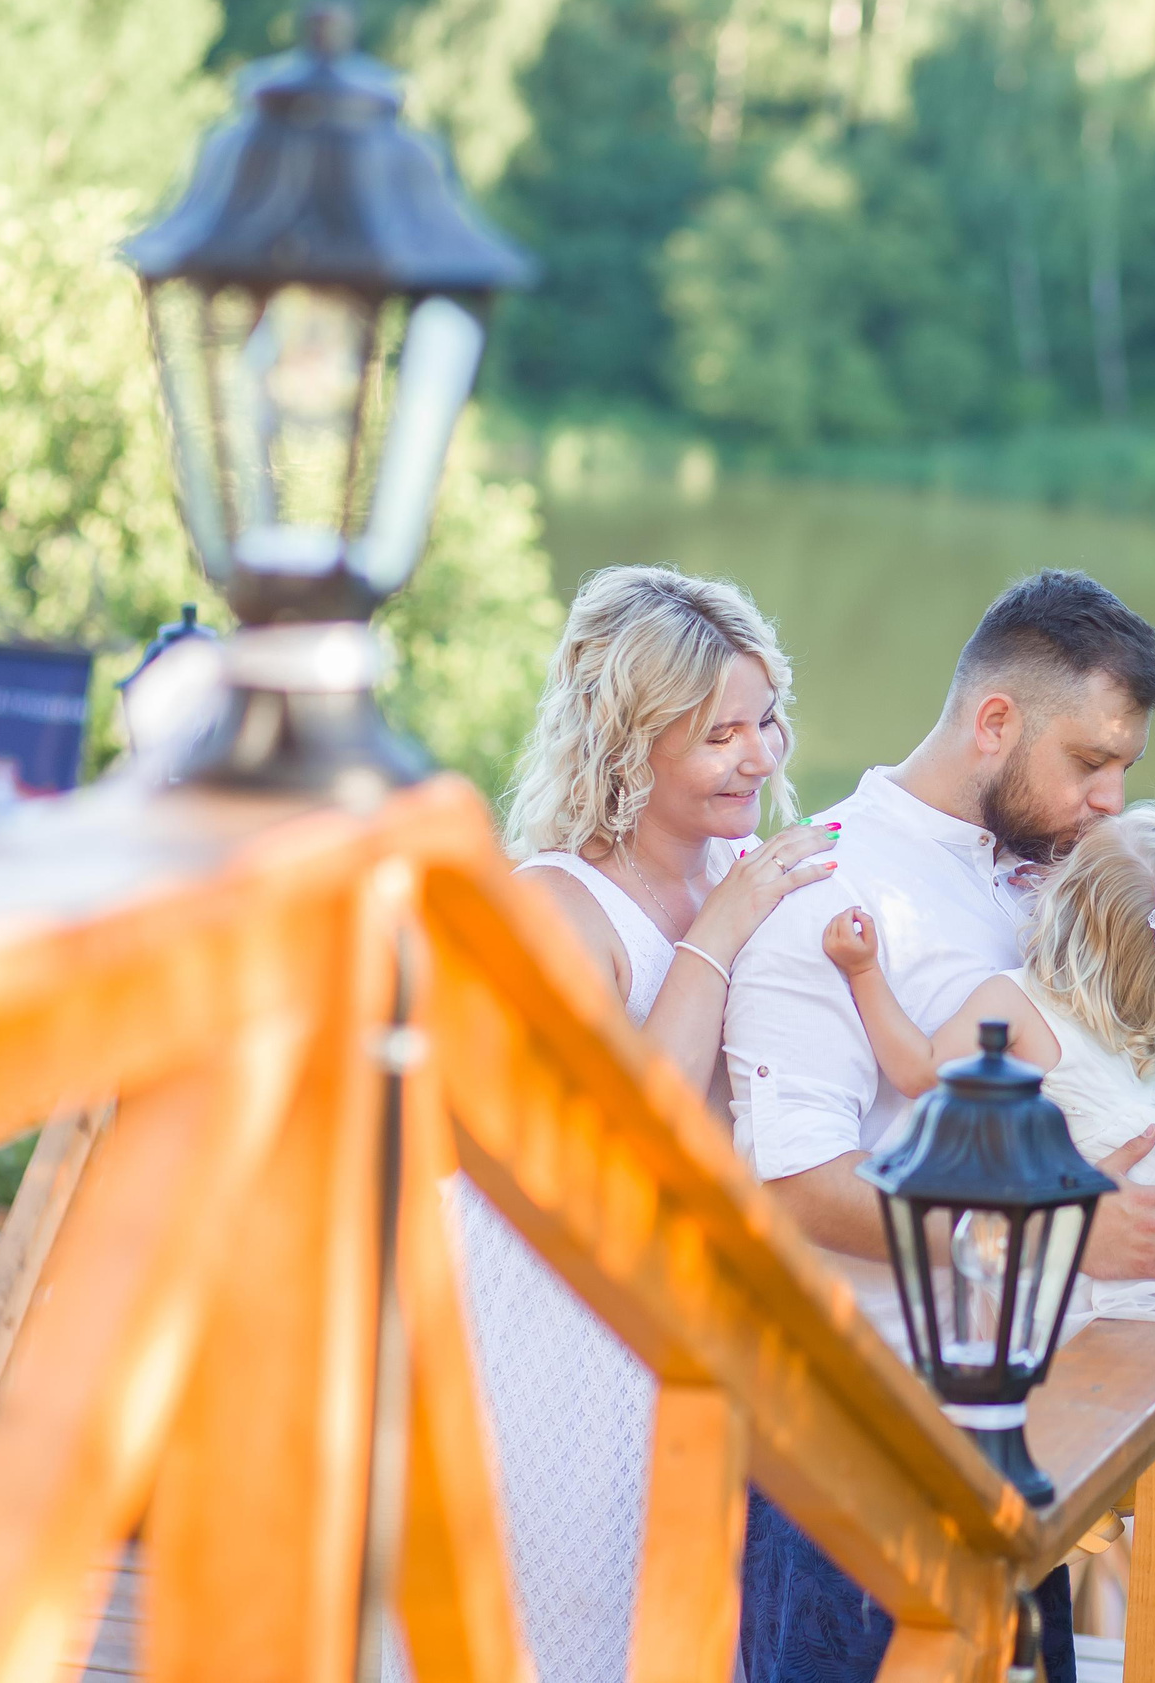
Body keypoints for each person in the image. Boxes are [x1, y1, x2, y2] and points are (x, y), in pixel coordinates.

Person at [723, 570, 1155, 1682]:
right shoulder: (828, 890)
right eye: (1090, 762)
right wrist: (1065, 1237)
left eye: (1126, 768)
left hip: (1035, 1457)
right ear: (995, 721)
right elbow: (793, 1188)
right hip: (860, 1454)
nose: (1112, 799)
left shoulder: (1066, 885)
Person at [447, 564, 838, 1683]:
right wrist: (721, 930)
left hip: (708, 1324)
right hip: (565, 1330)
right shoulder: (556, 908)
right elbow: (620, 1157)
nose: (760, 756)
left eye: (766, 720)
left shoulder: (745, 871)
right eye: (721, 736)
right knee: (568, 1626)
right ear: (630, 747)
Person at [822, 802, 1155, 1378]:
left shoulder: (1016, 1002)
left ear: (1061, 906)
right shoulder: (1144, 1035)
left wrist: (864, 972)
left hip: (1089, 1267)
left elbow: (918, 1072)